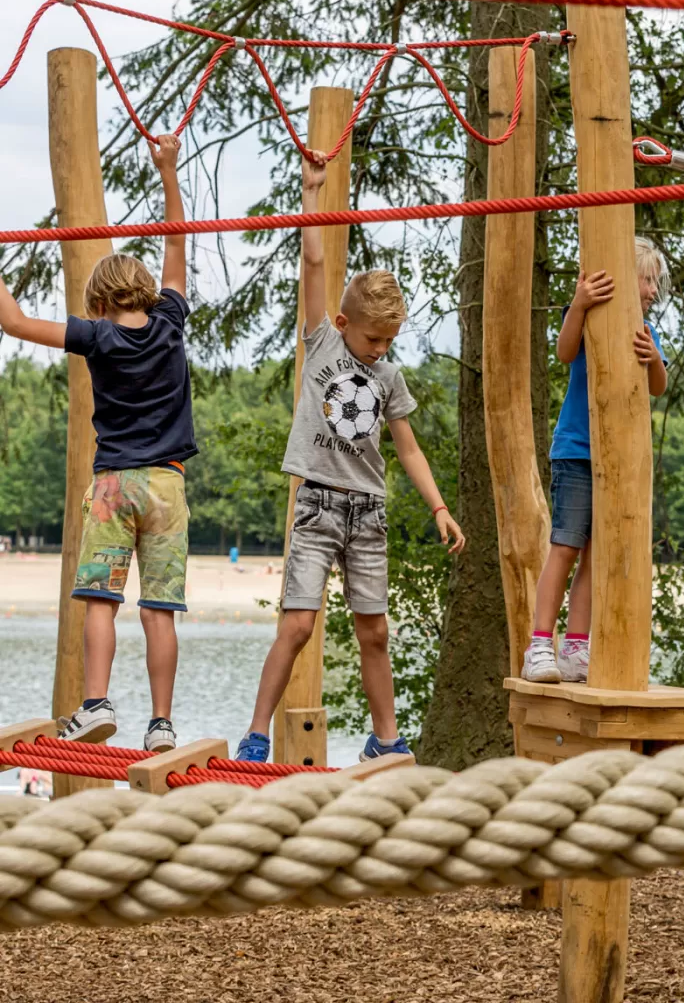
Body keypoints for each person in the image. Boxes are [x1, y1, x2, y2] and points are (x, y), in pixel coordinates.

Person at [236, 151, 465, 762]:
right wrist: (313, 195)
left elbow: (408, 447)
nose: (380, 349)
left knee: (376, 631)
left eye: (389, 340)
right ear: (342, 323)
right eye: (372, 339)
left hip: (368, 512)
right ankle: (257, 733)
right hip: (316, 505)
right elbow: (313, 262)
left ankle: (384, 740)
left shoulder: (389, 376)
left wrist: (438, 506)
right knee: (298, 625)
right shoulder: (321, 343)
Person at [0, 135, 193, 752]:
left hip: (114, 486)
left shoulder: (99, 337)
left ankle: (95, 703)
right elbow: (176, 242)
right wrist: (168, 172)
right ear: (145, 294)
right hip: (167, 485)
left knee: (100, 600)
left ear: (103, 301)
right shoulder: (169, 323)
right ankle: (161, 723)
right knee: (159, 609)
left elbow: (16, 323)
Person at [522, 238, 670, 683]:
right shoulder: (590, 320)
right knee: (566, 546)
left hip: (619, 459)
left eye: (655, 284)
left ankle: (576, 647)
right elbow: (564, 352)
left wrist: (653, 360)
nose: (652, 291)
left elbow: (659, 386)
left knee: (595, 555)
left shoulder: (645, 331)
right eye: (646, 281)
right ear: (627, 282)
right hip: (577, 452)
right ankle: (539, 646)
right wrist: (579, 304)